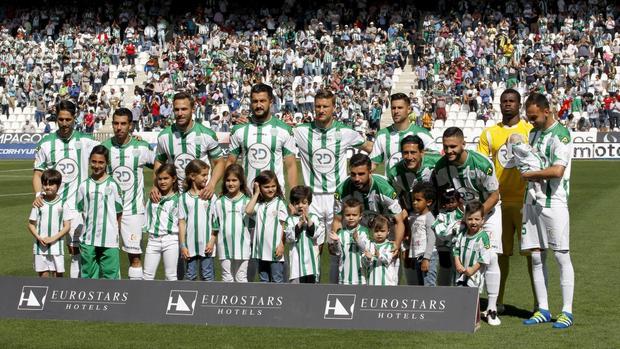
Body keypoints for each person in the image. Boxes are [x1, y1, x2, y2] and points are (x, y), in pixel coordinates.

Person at [293, 88, 373, 283]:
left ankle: (335, 288)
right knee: (313, 246)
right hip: (312, 199)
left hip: (338, 199)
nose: (321, 110)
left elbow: (371, 148)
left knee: (338, 245)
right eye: (318, 106)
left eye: (325, 106)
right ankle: (314, 289)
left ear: (333, 108)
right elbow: (277, 129)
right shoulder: (301, 131)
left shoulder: (345, 132)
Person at [432, 126, 502, 325]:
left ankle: (492, 309)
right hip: (464, 216)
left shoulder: (482, 163)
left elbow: (495, 195)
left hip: (489, 212)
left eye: (453, 146)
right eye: (446, 147)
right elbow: (444, 193)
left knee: (491, 257)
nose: (449, 151)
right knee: (462, 257)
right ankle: (465, 305)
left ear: (463, 144)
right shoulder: (441, 167)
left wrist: (477, 216)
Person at [477, 88, 535, 312]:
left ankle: (539, 304)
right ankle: (497, 301)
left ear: (519, 104)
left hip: (526, 201)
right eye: (504, 101)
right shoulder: (489, 134)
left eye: (512, 101)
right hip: (498, 204)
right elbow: (483, 167)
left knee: (532, 255)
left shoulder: (530, 131)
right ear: (499, 105)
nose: (508, 104)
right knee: (499, 255)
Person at [521, 93, 575, 329]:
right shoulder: (533, 133)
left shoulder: (561, 135)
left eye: (534, 117)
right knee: (535, 255)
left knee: (561, 255)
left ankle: (567, 311)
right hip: (532, 202)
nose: (531, 121)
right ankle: (543, 308)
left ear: (546, 110)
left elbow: (557, 171)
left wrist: (530, 175)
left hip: (555, 204)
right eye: (529, 117)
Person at [33, 100, 99, 278]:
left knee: (75, 251)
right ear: (56, 119)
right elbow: (38, 174)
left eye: (68, 119)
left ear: (74, 118)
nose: (64, 123)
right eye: (61, 119)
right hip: (53, 207)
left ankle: (73, 291)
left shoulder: (85, 141)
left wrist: (135, 137)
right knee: (49, 253)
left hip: (78, 207)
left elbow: (106, 150)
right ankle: (51, 295)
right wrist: (39, 195)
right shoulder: (46, 143)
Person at [101, 108, 154, 280]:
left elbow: (161, 167)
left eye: (123, 123)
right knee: (108, 255)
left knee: (135, 256)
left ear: (130, 125)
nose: (119, 127)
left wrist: (156, 187)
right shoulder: (105, 148)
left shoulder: (141, 146)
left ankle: (136, 296)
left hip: (133, 211)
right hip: (108, 211)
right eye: (116, 123)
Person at [152, 91, 225, 200]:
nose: (180, 113)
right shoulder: (164, 136)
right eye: (177, 109)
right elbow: (159, 162)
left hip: (201, 196)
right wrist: (155, 185)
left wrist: (212, 184)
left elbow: (219, 162)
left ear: (193, 109)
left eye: (184, 109)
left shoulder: (207, 134)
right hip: (175, 198)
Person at [333, 153, 406, 260]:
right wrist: (336, 243)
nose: (356, 178)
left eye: (361, 174)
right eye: (353, 174)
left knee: (388, 269)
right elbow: (337, 221)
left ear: (370, 172)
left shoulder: (386, 189)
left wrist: (397, 243)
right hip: (360, 229)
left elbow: (398, 221)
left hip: (385, 228)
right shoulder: (342, 190)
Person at [228, 83, 298, 190]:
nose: (258, 105)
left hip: (275, 198)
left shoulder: (284, 130)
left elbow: (291, 165)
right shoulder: (239, 129)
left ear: (271, 102)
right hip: (247, 197)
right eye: (255, 101)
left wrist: (294, 196)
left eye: (262, 101)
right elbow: (230, 161)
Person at [76, 145, 123, 279]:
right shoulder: (83, 186)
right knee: (89, 276)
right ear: (90, 161)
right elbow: (81, 211)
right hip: (88, 238)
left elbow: (119, 212)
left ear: (106, 163)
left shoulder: (113, 184)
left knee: (111, 276)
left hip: (109, 238)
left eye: (101, 162)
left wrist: (116, 232)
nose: (97, 166)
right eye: (94, 162)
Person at [452, 201, 498, 325]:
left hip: (474, 273)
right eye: (470, 219)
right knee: (460, 291)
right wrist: (458, 264)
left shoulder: (483, 237)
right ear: (465, 219)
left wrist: (473, 269)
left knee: (472, 293)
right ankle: (460, 317)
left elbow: (484, 256)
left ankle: (474, 320)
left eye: (477, 219)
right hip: (461, 270)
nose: (473, 222)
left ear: (482, 220)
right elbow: (456, 249)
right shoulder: (462, 234)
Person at [370, 93, 435, 174]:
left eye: (400, 108)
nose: (396, 111)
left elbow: (435, 159)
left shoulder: (423, 134)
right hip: (391, 185)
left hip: (417, 185)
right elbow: (373, 164)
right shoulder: (382, 135)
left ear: (409, 109)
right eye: (393, 108)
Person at [179, 160, 218, 281]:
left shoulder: (211, 196)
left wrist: (212, 241)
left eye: (208, 175)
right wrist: (183, 245)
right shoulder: (184, 198)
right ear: (192, 176)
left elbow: (215, 222)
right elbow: (181, 223)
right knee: (190, 275)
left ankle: (208, 299)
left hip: (207, 245)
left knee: (207, 275)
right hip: (190, 246)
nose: (207, 178)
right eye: (204, 175)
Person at [246, 170, 288, 283]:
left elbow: (285, 226)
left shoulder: (280, 203)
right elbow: (248, 211)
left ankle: (279, 300)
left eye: (273, 186)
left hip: (275, 251)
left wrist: (282, 245)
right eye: (266, 187)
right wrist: (256, 193)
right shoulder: (258, 204)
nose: (270, 189)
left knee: (277, 280)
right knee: (263, 281)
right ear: (260, 187)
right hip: (260, 250)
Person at [27, 169, 70, 277]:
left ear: (58, 185)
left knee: (57, 275)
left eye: (51, 184)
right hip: (40, 247)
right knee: (43, 276)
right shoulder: (38, 203)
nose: (47, 187)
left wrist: (53, 238)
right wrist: (39, 237)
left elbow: (67, 226)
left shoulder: (63, 203)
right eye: (45, 184)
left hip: (57, 246)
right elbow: (31, 224)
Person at [213, 164, 252, 282]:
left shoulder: (247, 201)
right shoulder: (219, 202)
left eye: (234, 180)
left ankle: (242, 300)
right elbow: (215, 224)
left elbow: (253, 225)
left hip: (243, 245)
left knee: (241, 277)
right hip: (224, 245)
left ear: (241, 181)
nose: (231, 183)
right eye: (228, 180)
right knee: (227, 277)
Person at [143, 164, 180, 281]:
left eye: (166, 178)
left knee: (171, 276)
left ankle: (170, 299)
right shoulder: (153, 197)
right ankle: (145, 299)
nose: (162, 182)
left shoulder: (179, 199)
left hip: (171, 239)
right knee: (147, 275)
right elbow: (147, 216)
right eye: (160, 179)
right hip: (153, 239)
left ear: (173, 179)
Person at [387, 135, 441, 214]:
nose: (409, 157)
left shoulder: (437, 161)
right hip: (414, 213)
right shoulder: (395, 173)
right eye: (405, 153)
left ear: (422, 152)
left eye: (413, 152)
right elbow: (395, 199)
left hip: (440, 208)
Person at [285, 185, 324, 283]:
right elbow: (289, 237)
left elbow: (315, 234)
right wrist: (300, 223)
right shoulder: (290, 220)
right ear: (293, 204)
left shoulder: (315, 218)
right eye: (297, 203)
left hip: (312, 265)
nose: (300, 205)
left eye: (304, 203)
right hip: (296, 265)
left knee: (312, 293)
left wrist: (308, 220)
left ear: (309, 203)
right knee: (296, 294)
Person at [328, 199, 369, 285]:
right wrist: (336, 242)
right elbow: (338, 252)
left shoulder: (364, 231)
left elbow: (365, 250)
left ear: (360, 216)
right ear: (343, 216)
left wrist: (357, 240)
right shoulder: (340, 233)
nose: (351, 218)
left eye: (354, 215)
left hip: (361, 278)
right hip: (343, 278)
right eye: (348, 215)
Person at [405, 182, 437, 286]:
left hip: (427, 256)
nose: (414, 203)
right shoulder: (415, 218)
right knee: (420, 286)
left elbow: (432, 239)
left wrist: (427, 258)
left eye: (418, 200)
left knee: (428, 285)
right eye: (413, 199)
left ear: (429, 202)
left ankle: (432, 302)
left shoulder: (429, 218)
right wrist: (411, 257)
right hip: (417, 257)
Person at [361, 215, 399, 286]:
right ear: (372, 231)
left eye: (382, 231)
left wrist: (379, 255)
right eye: (376, 231)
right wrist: (368, 259)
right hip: (372, 283)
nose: (379, 234)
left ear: (388, 232)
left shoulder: (390, 245)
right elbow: (364, 263)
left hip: (388, 283)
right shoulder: (369, 245)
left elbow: (388, 259)